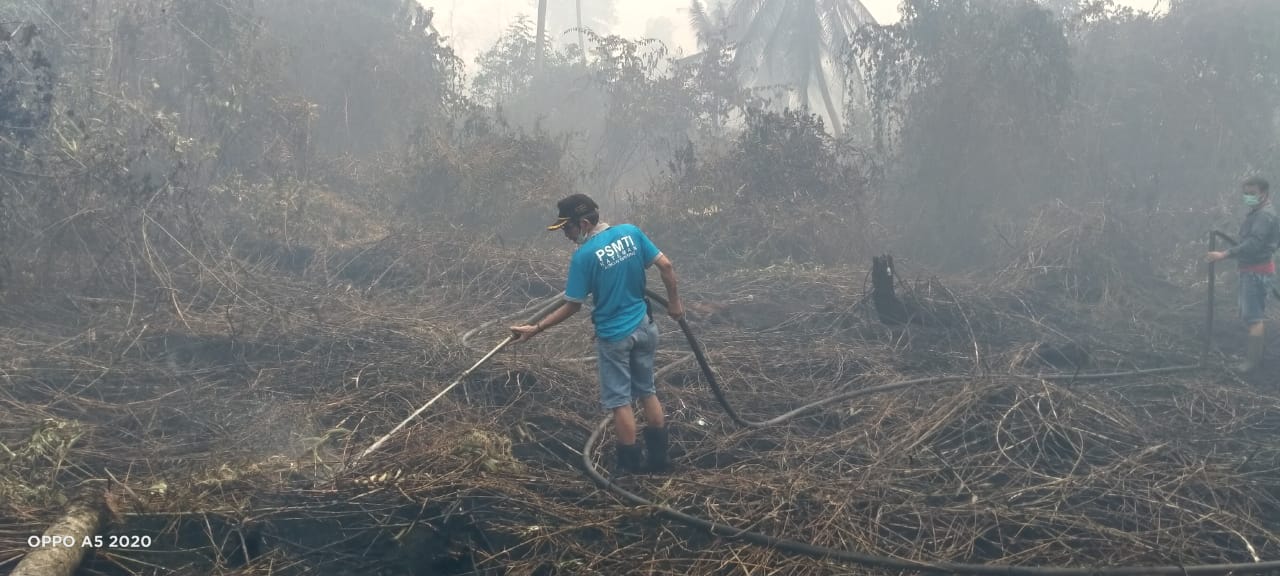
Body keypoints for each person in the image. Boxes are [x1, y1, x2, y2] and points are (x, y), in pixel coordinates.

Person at [510, 194, 684, 473]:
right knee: (647, 391)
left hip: (614, 337)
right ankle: (659, 461)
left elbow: (572, 305)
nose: (566, 235)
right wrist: (674, 301)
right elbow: (666, 265)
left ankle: (629, 470)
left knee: (620, 402)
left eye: (568, 228)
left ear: (585, 222)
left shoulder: (584, 256)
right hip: (645, 326)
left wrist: (536, 328)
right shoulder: (631, 232)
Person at [1206, 176, 1279, 375]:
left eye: (1252, 193)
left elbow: (1254, 244)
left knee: (1254, 317)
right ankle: (1254, 357)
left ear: (1264, 193)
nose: (1248, 197)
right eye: (1245, 193)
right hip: (1253, 269)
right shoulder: (1258, 213)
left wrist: (1224, 254)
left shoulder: (1264, 215)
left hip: (1256, 272)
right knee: (1251, 315)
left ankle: (1252, 364)